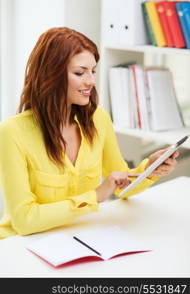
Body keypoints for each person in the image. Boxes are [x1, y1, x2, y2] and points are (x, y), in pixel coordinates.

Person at [0, 27, 178, 239]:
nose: (91, 81)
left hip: (79, 238)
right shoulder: (13, 132)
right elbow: (24, 220)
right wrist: (95, 196)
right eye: (79, 72)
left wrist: (150, 169)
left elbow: (121, 186)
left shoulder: (98, 120)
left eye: (93, 71)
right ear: (51, 74)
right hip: (20, 244)